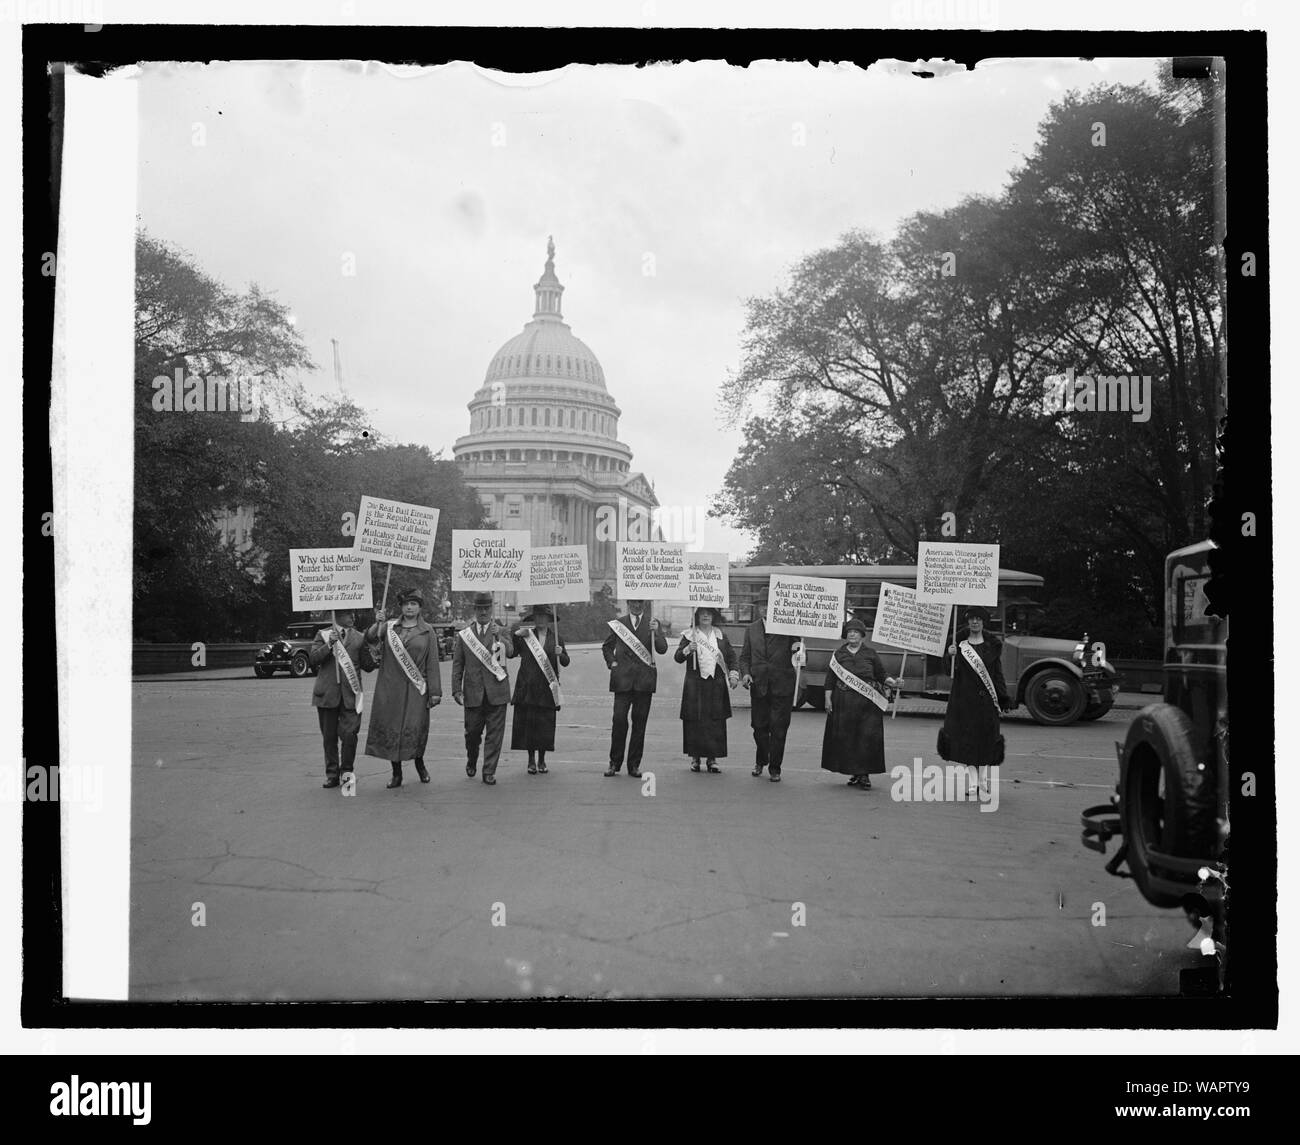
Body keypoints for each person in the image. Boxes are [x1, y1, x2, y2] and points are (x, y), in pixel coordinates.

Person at [361, 587, 442, 789]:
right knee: (393, 729)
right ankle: (396, 773)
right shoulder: (389, 627)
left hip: (416, 689)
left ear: (420, 607)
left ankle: (419, 764)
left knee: (415, 729)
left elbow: (433, 662)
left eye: (413, 604)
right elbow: (370, 639)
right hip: (391, 688)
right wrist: (377, 622)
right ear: (401, 607)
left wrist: (435, 692)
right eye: (406, 604)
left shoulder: (427, 630)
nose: (409, 607)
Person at [938, 605, 1014, 797]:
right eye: (971, 619)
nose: (975, 622)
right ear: (968, 622)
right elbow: (949, 672)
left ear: (983, 622)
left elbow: (997, 674)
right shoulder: (958, 645)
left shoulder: (992, 646)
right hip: (965, 700)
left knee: (987, 740)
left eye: (978, 619)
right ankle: (973, 783)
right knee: (968, 741)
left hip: (987, 701)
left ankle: (983, 780)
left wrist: (1003, 697)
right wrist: (950, 655)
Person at [820, 617, 898, 790]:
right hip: (844, 701)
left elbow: (881, 674)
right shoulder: (839, 654)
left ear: (862, 636)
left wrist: (893, 682)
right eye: (849, 632)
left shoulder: (870, 654)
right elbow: (830, 679)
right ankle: (854, 771)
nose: (852, 634)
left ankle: (864, 774)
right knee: (848, 738)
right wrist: (827, 699)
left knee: (866, 738)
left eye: (855, 632)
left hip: (867, 703)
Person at [601, 598, 668, 778]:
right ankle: (614, 763)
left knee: (640, 725)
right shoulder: (618, 624)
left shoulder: (653, 623)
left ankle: (634, 765)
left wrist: (657, 633)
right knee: (619, 720)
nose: (637, 605)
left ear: (644, 604)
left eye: (640, 602)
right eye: (633, 602)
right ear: (628, 603)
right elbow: (607, 647)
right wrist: (612, 663)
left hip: (644, 682)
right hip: (622, 681)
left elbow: (662, 649)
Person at [738, 592, 800, 782]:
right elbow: (745, 657)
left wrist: (800, 654)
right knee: (759, 727)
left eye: (768, 604)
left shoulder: (788, 628)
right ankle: (761, 759)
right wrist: (746, 673)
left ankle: (775, 768)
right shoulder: (751, 629)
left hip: (783, 686)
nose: (765, 608)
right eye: (761, 605)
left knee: (779, 729)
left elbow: (799, 653)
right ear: (758, 608)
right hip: (759, 686)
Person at [308, 608, 372, 791]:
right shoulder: (323, 634)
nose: (352, 617)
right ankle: (332, 775)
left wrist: (373, 644)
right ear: (337, 616)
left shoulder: (359, 637)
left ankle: (347, 774)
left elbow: (368, 665)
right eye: (347, 614)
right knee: (329, 738)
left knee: (350, 736)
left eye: (353, 614)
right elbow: (313, 659)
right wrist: (329, 645)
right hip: (327, 694)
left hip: (351, 695)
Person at [452, 592, 510, 786]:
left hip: (497, 692)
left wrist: (498, 636)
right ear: (475, 610)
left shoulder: (501, 630)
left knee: (495, 735)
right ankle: (472, 758)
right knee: (472, 734)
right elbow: (458, 664)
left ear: (491, 609)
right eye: (480, 608)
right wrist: (456, 689)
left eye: (487, 608)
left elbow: (508, 653)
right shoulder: (464, 635)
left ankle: (489, 771)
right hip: (473, 692)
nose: (484, 612)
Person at [673, 606, 740, 773]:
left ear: (713, 616)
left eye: (709, 613)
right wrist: (688, 649)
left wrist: (733, 674)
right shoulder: (689, 635)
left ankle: (712, 758)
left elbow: (732, 657)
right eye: (702, 613)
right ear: (697, 616)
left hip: (715, 683)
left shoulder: (721, 636)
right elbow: (678, 657)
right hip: (695, 684)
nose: (705, 616)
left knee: (714, 721)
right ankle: (695, 758)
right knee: (695, 721)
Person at [509, 604, 569, 774]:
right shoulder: (527, 636)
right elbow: (512, 653)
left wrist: (560, 654)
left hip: (548, 689)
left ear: (549, 620)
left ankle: (542, 760)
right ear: (534, 619)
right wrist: (515, 636)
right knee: (529, 725)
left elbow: (566, 661)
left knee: (545, 726)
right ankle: (530, 760)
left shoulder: (557, 638)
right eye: (538, 617)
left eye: (544, 617)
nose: (541, 620)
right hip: (528, 687)